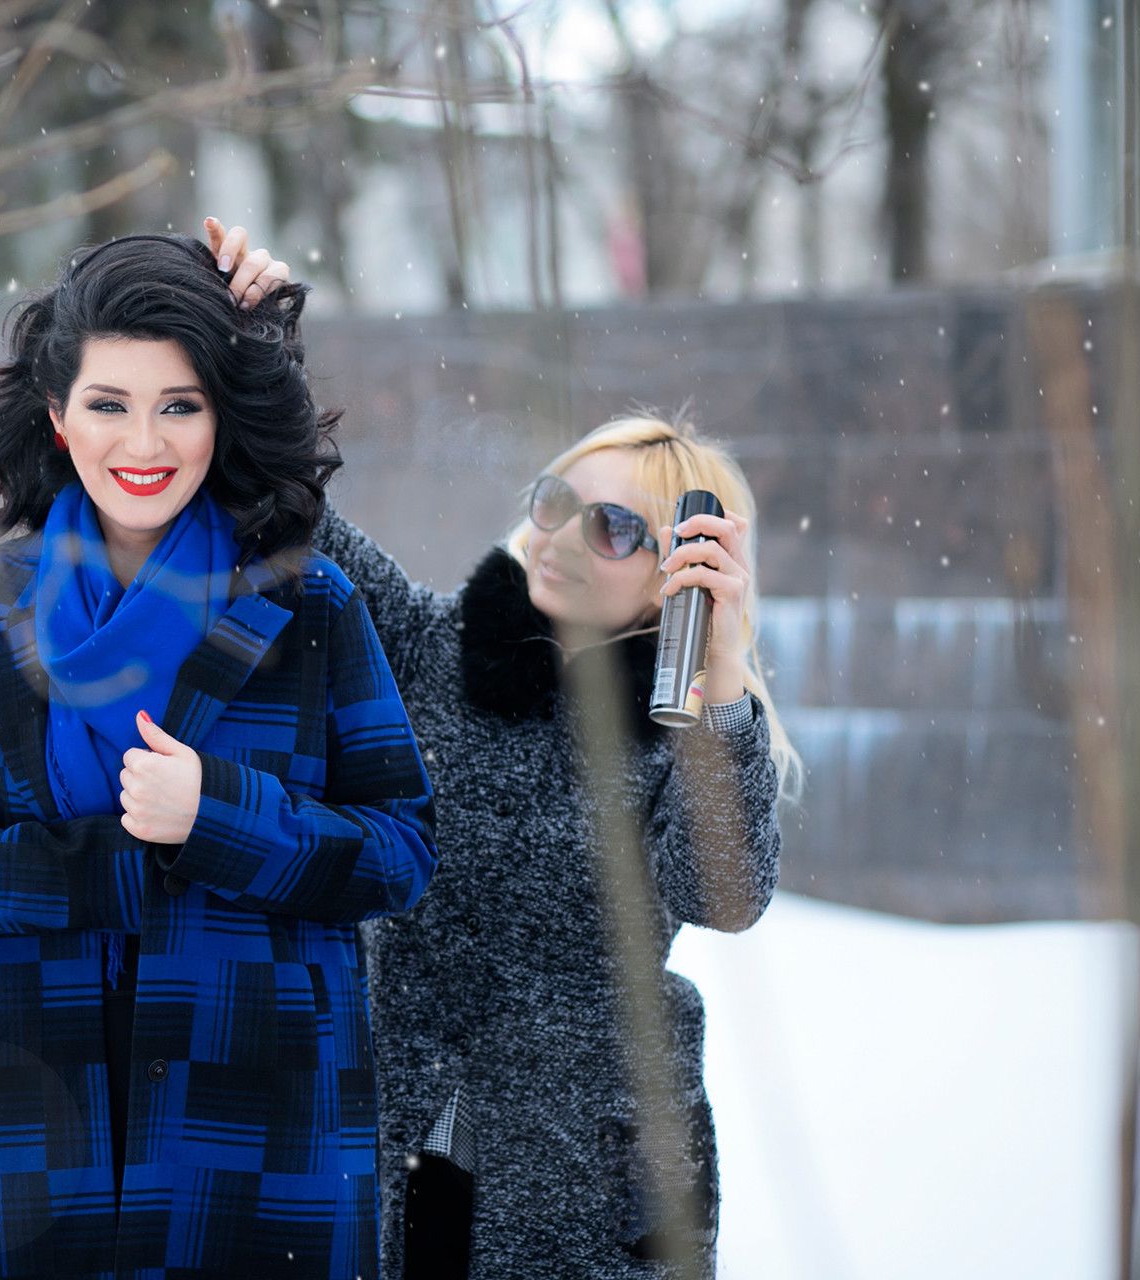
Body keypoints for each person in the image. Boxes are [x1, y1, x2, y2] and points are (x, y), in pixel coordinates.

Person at [203, 219, 800, 1280]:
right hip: (398, 1149)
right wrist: (257, 347)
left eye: (615, 528)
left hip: (596, 1187)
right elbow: (289, 514)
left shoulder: (686, 727)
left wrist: (712, 684)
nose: (565, 536)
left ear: (680, 573)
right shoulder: (429, 644)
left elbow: (724, 894)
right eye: (557, 503)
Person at [0, 231, 437, 1280]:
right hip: (36, 1142)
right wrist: (103, 868)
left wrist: (218, 814)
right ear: (58, 416)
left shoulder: (307, 603)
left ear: (222, 416)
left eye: (180, 405)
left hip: (262, 1138)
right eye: (109, 403)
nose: (145, 441)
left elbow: (400, 851)